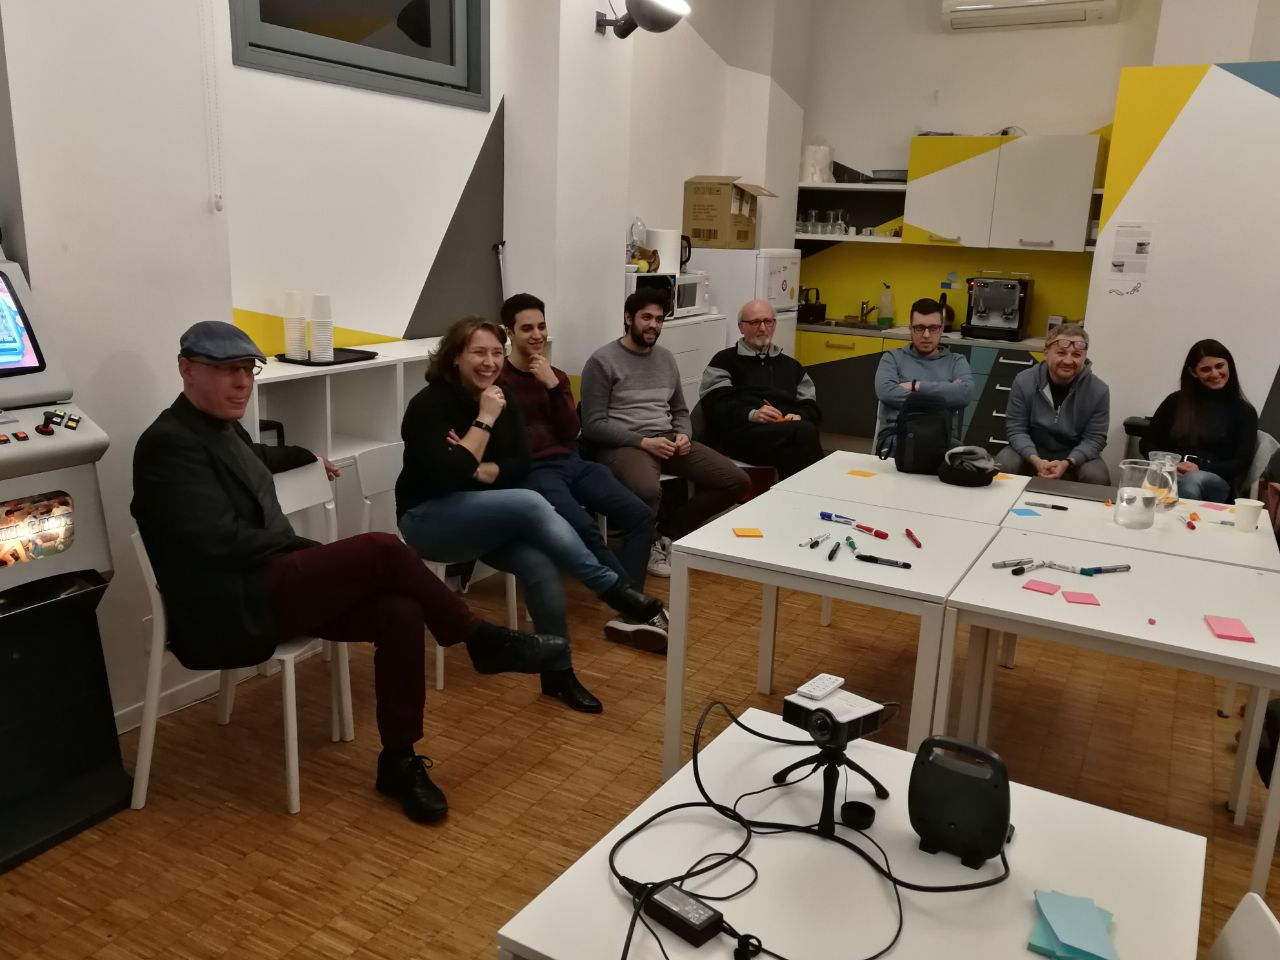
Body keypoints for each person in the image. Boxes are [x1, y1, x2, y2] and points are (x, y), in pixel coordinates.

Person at [132, 321, 568, 826]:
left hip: (269, 586)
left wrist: (307, 457)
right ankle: (477, 637)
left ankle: (399, 761)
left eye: (248, 371)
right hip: (229, 607)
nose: (242, 383)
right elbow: (218, 542)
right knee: (381, 548)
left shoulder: (222, 426)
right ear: (187, 369)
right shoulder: (167, 444)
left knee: (400, 612)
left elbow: (256, 458)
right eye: (228, 371)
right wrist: (304, 550)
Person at [396, 316, 667, 714]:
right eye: (478, 352)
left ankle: (558, 675)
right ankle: (608, 585)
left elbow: (520, 464)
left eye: (496, 353)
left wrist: (477, 466)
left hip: (486, 518)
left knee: (540, 567)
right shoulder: (429, 405)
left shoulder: (502, 394)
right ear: (455, 356)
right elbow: (448, 476)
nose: (490, 362)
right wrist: (485, 419)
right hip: (428, 519)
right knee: (529, 501)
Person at [498, 292, 666, 651]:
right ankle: (635, 607)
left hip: (571, 461)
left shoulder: (556, 376)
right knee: (584, 526)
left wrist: (553, 386)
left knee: (639, 515)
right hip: (532, 471)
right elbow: (511, 442)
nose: (537, 335)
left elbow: (570, 430)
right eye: (527, 328)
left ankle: (629, 603)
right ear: (509, 332)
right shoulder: (498, 381)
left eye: (541, 326)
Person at [580, 290, 750, 576]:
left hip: (668, 439)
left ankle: (666, 533)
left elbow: (680, 410)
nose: (653, 325)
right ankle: (646, 548)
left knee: (735, 480)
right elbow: (593, 425)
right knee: (648, 489)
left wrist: (684, 434)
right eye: (646, 317)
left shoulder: (665, 358)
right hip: (625, 445)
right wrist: (643, 442)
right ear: (628, 318)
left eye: (659, 319)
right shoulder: (602, 361)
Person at [698, 299, 823, 480]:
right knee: (805, 432)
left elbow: (810, 405)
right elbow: (714, 405)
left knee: (792, 451)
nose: (763, 328)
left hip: (787, 433)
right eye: (755, 322)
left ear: (774, 325)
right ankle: (820, 492)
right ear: (741, 327)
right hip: (742, 434)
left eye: (768, 321)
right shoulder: (723, 361)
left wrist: (799, 416)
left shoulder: (792, 366)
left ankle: (793, 497)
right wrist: (752, 414)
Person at [1140, 339, 1257, 503]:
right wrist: (1168, 464)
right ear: (1193, 372)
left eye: (1219, 366)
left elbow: (1242, 462)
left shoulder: (1244, 411)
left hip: (1216, 481)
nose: (1215, 373)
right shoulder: (1174, 402)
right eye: (1206, 369)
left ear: (1229, 365)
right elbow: (1147, 442)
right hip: (1170, 473)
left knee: (1191, 481)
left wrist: (1200, 467)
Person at [998, 323, 1111, 484]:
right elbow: (1016, 430)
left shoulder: (1099, 390)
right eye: (1061, 353)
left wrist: (1068, 462)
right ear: (1046, 353)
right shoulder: (1023, 381)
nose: (1068, 360)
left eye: (1076, 355)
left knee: (1097, 476)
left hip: (1073, 456)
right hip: (1031, 451)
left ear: (1084, 356)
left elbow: (1094, 439)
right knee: (1004, 462)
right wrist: (1035, 460)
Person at [874, 298, 973, 452]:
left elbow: (965, 394)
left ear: (941, 329)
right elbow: (886, 392)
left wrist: (915, 385)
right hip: (898, 438)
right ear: (910, 329)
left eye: (933, 328)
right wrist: (945, 395)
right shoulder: (893, 358)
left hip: (943, 442)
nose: (926, 335)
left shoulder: (956, 361)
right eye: (919, 328)